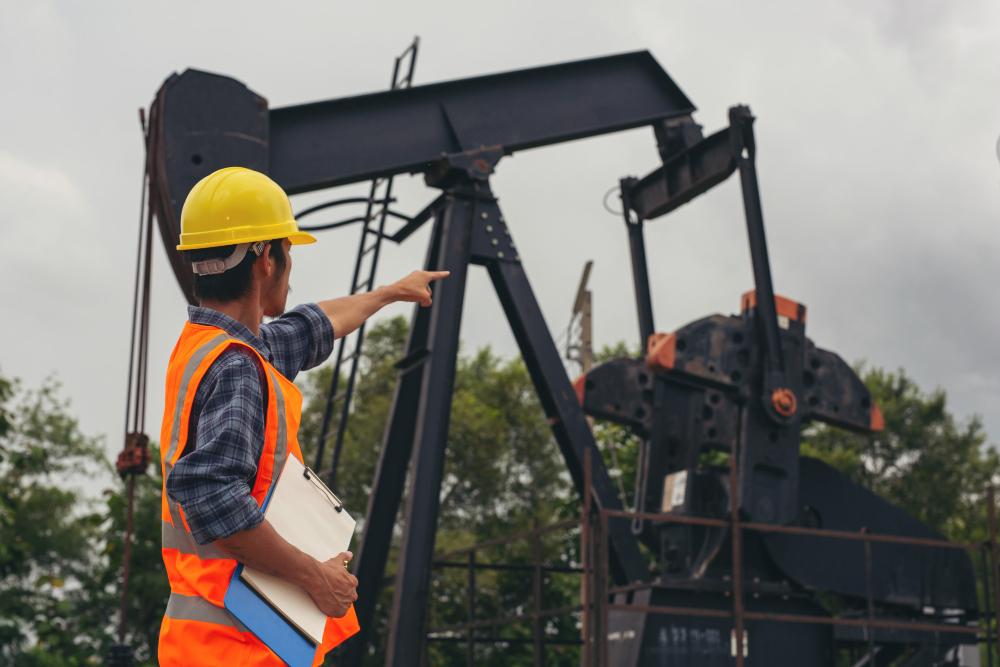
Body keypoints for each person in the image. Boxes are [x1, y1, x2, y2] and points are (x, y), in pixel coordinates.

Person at [157, 167, 447, 666]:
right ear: (267, 258)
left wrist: (390, 294)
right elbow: (214, 501)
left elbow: (313, 326)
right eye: (288, 251)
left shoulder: (209, 348)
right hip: (240, 647)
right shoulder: (239, 368)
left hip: (206, 643)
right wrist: (317, 577)